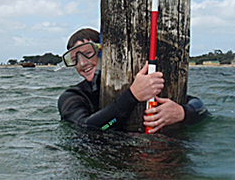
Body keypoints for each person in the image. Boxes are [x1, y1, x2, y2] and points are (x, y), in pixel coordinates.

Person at [58, 28, 208, 133]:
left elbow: (200, 108)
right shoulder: (71, 97)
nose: (82, 63)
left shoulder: (138, 81)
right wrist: (133, 95)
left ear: (105, 52)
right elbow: (88, 129)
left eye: (88, 53)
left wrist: (183, 113)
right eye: (74, 59)